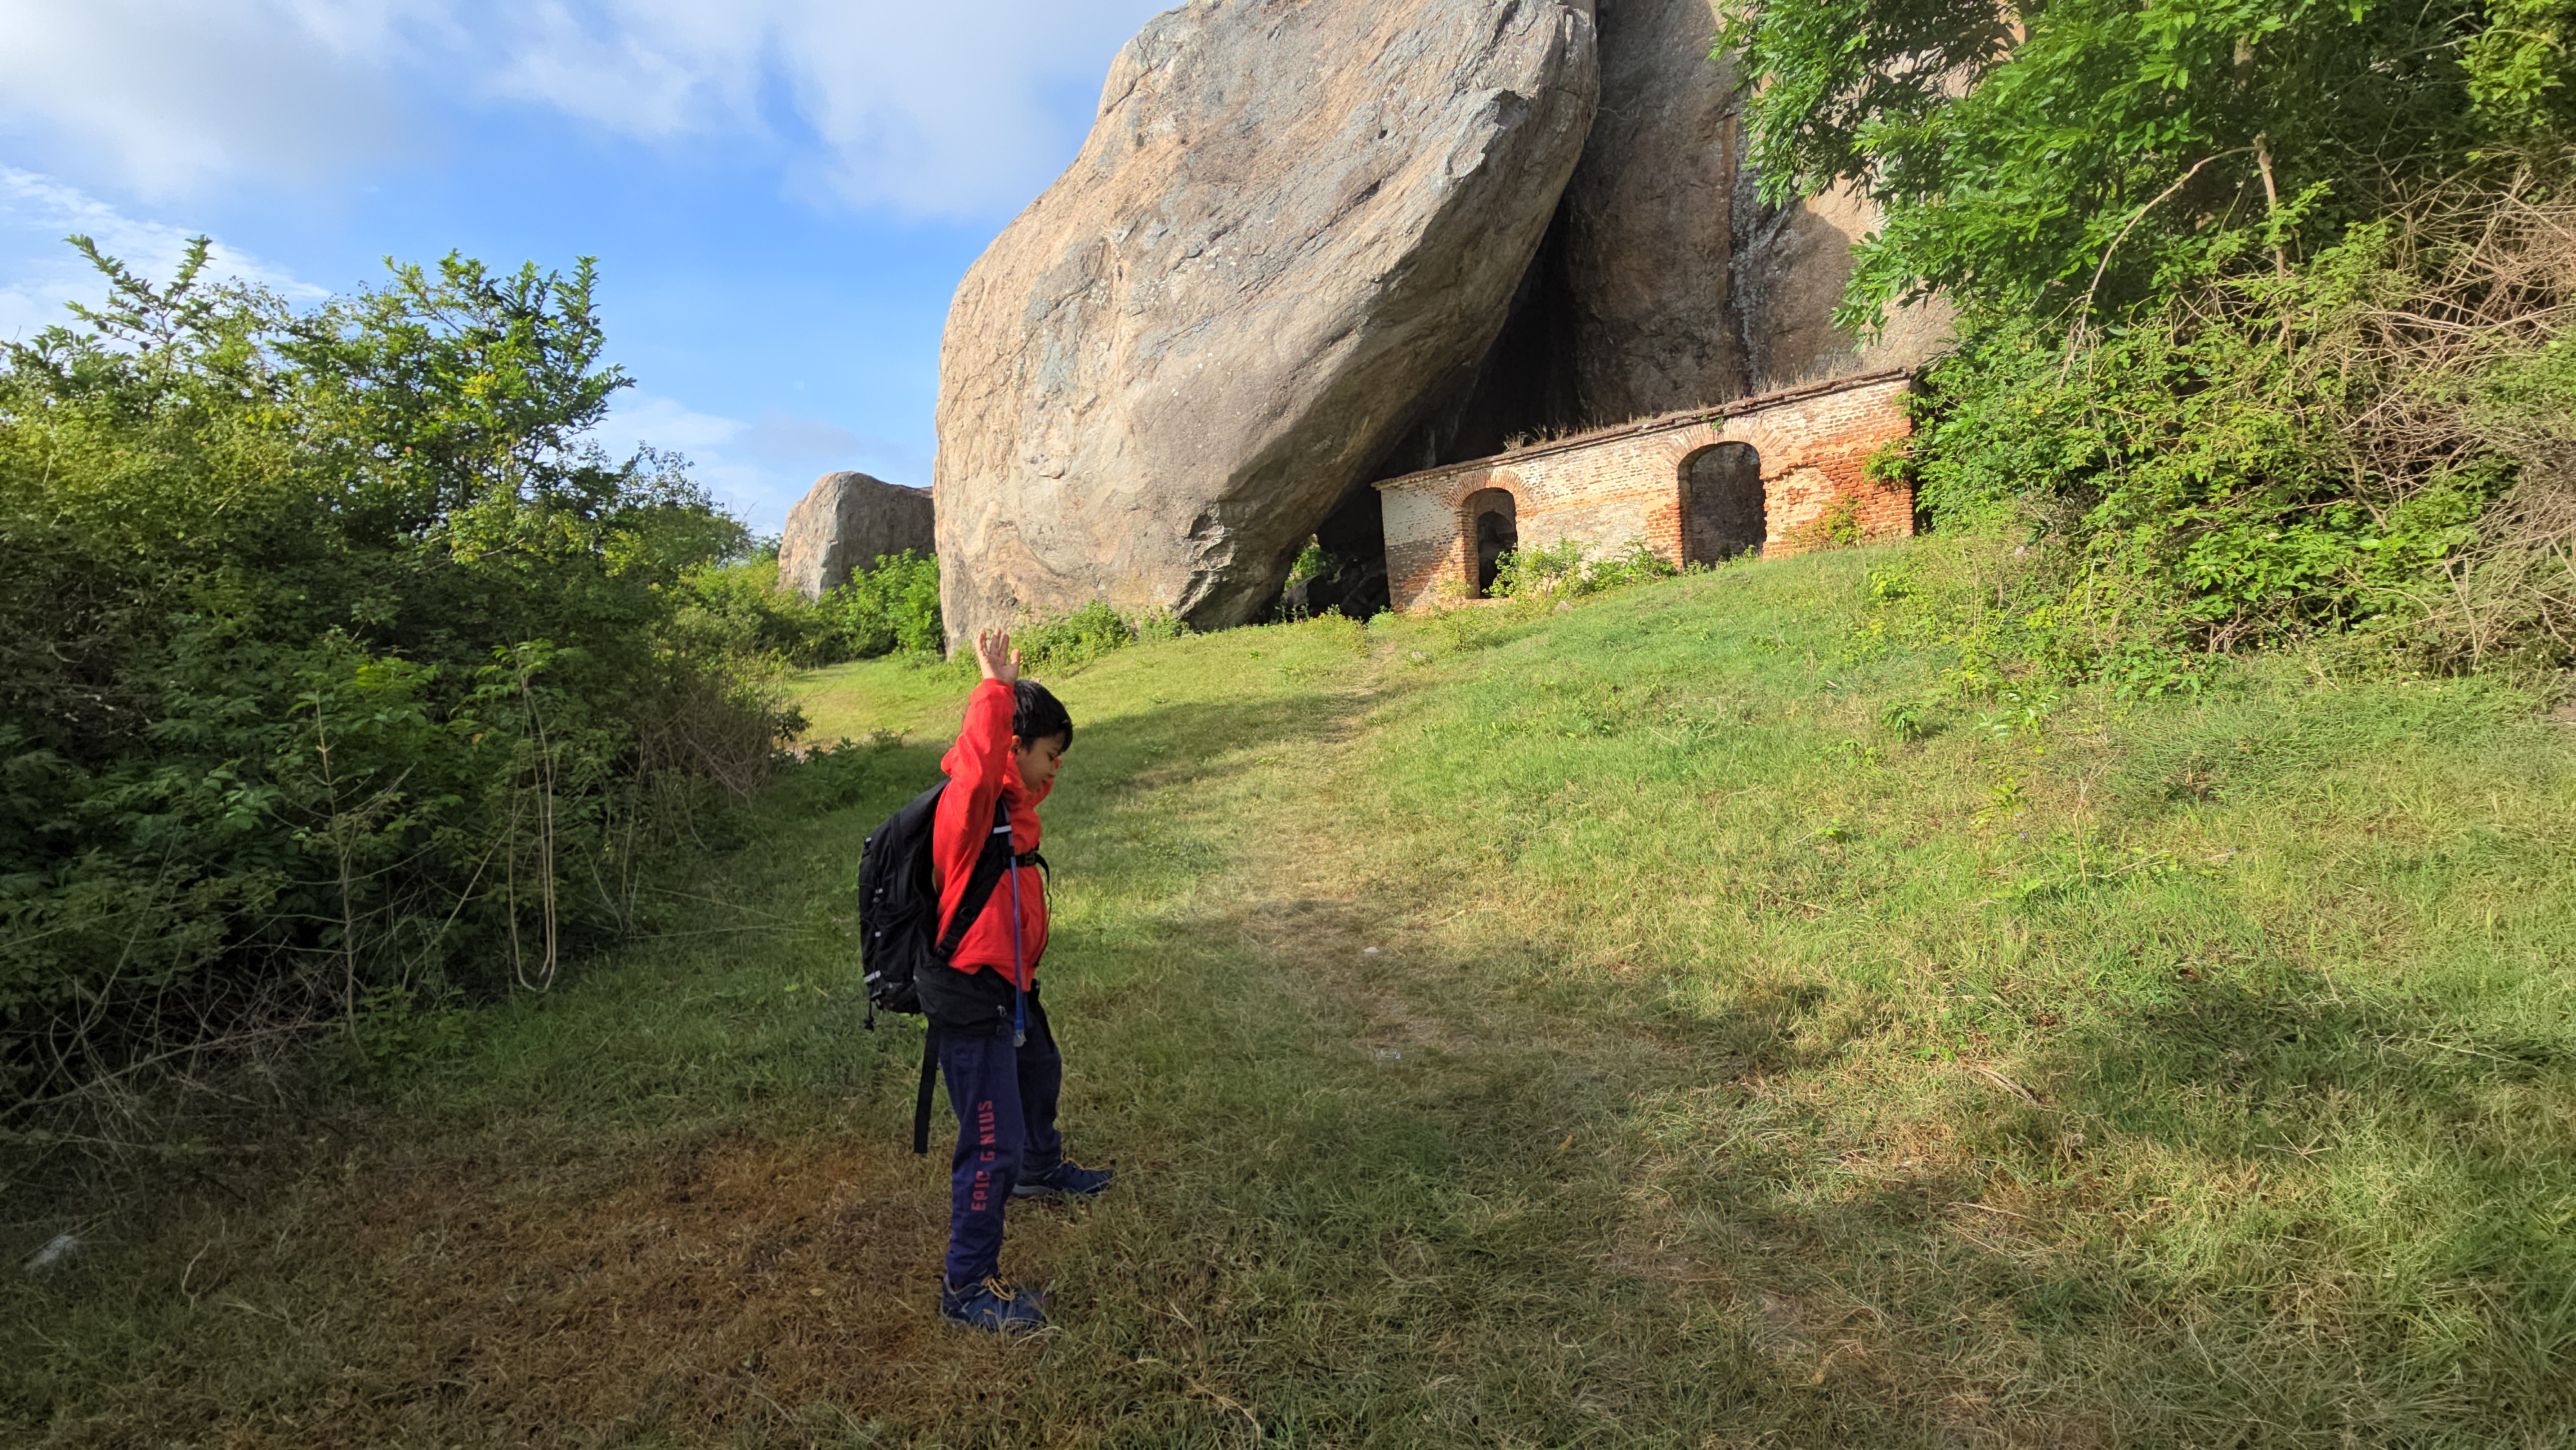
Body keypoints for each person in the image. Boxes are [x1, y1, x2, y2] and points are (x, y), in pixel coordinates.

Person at [917, 628, 1114, 1333]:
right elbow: (974, 770)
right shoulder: (971, 808)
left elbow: (1008, 783)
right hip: (974, 998)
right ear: (1012, 746)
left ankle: (1040, 1166)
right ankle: (966, 1285)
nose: (1054, 772)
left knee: (1041, 1073)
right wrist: (993, 690)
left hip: (1012, 984)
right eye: (1049, 756)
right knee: (987, 1142)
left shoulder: (1014, 808)